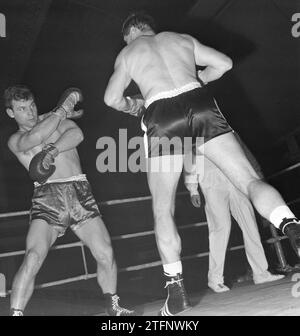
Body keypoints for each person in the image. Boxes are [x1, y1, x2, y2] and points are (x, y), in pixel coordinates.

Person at [104, 12, 300, 316]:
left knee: (162, 207)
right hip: (199, 102)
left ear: (130, 33)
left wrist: (134, 107)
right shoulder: (179, 39)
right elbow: (224, 63)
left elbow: (111, 98)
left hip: (161, 114)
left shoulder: (129, 52)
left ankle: (176, 290)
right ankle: (292, 228)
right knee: (249, 182)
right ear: (150, 28)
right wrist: (198, 79)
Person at [5, 85, 135, 316]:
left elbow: (77, 134)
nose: (30, 111)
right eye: (22, 108)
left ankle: (113, 308)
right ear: (11, 113)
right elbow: (35, 137)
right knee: (33, 256)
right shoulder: (16, 140)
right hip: (48, 198)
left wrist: (52, 150)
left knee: (105, 252)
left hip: (79, 191)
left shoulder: (57, 120)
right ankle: (16, 314)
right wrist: (61, 110)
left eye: (32, 105)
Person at [184, 145, 285, 293]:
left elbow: (243, 152)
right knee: (220, 228)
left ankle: (261, 273)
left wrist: (257, 176)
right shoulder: (189, 130)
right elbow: (189, 156)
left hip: (234, 177)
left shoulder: (226, 128)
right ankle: (215, 279)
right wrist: (192, 188)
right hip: (210, 179)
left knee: (250, 224)